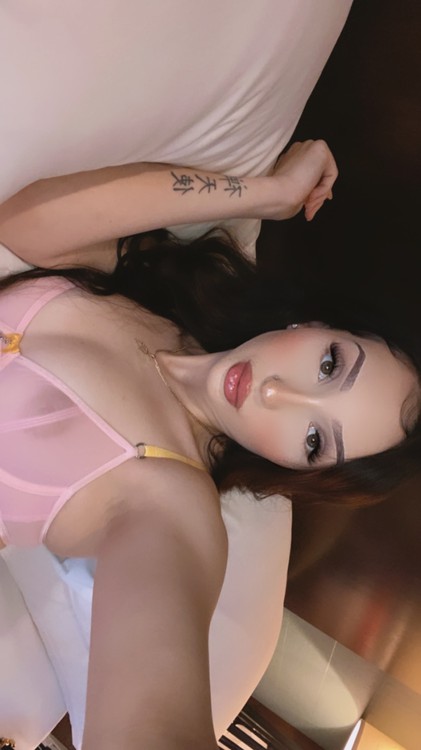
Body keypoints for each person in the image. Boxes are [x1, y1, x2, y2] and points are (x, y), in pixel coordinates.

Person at [0, 141, 420, 750]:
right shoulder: (161, 294)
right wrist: (270, 195)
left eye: (313, 439)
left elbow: (153, 720)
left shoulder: (174, 503)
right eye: (329, 364)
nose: (276, 393)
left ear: (296, 470)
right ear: (313, 325)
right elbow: (25, 221)